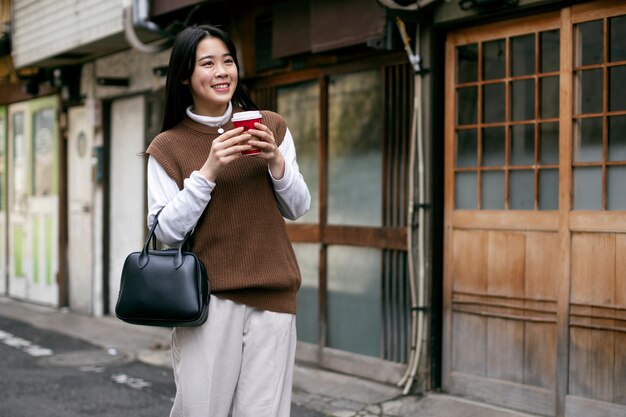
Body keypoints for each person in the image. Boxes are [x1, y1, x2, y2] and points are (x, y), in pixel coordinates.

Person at [145, 24, 311, 417]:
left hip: (274, 295)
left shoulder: (271, 126)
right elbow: (166, 232)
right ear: (185, 76)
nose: (222, 71)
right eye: (208, 63)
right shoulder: (167, 146)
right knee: (201, 410)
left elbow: (298, 206)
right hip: (206, 301)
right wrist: (209, 170)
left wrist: (275, 161)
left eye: (228, 61)